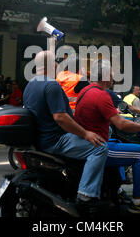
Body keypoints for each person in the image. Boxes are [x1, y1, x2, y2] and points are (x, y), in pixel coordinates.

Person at [22, 51, 108, 211]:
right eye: (55, 62)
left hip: (40, 139)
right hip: (56, 140)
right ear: (52, 65)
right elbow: (60, 118)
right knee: (100, 147)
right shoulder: (51, 84)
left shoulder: (31, 84)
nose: (57, 65)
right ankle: (85, 195)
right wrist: (86, 134)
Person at [75, 59, 140, 216]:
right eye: (112, 73)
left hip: (87, 143)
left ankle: (118, 188)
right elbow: (122, 125)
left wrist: (114, 113)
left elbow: (107, 114)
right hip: (98, 147)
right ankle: (139, 203)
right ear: (106, 76)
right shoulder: (101, 95)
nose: (114, 77)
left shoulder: (86, 91)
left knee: (118, 141)